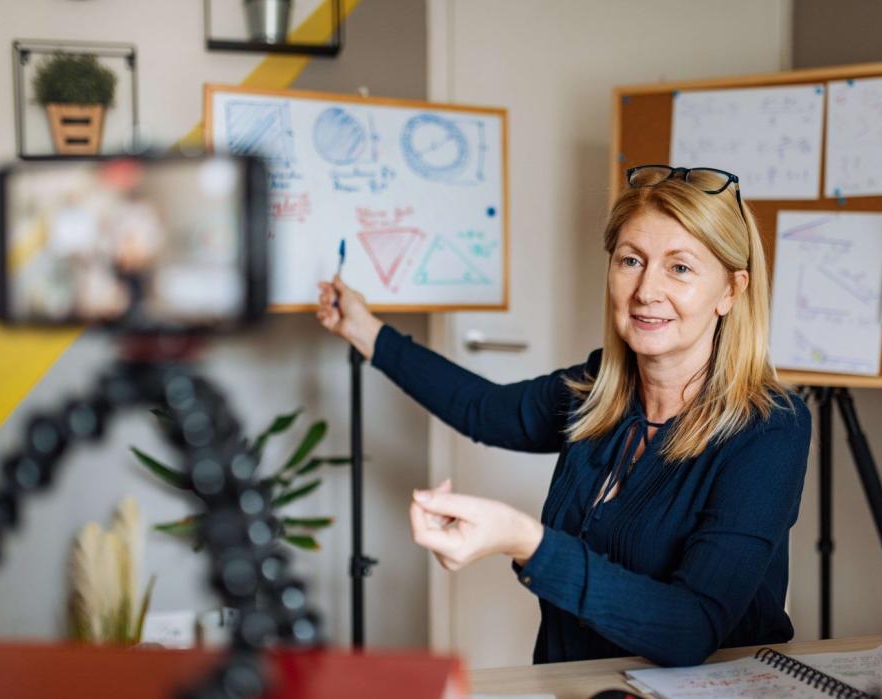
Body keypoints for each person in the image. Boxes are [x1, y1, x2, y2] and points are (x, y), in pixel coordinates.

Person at [315, 165, 811, 667]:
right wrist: (364, 330)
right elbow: (482, 411)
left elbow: (690, 628)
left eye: (680, 268)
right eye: (631, 260)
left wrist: (525, 540)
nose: (646, 290)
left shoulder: (769, 426)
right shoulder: (597, 390)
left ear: (731, 290)